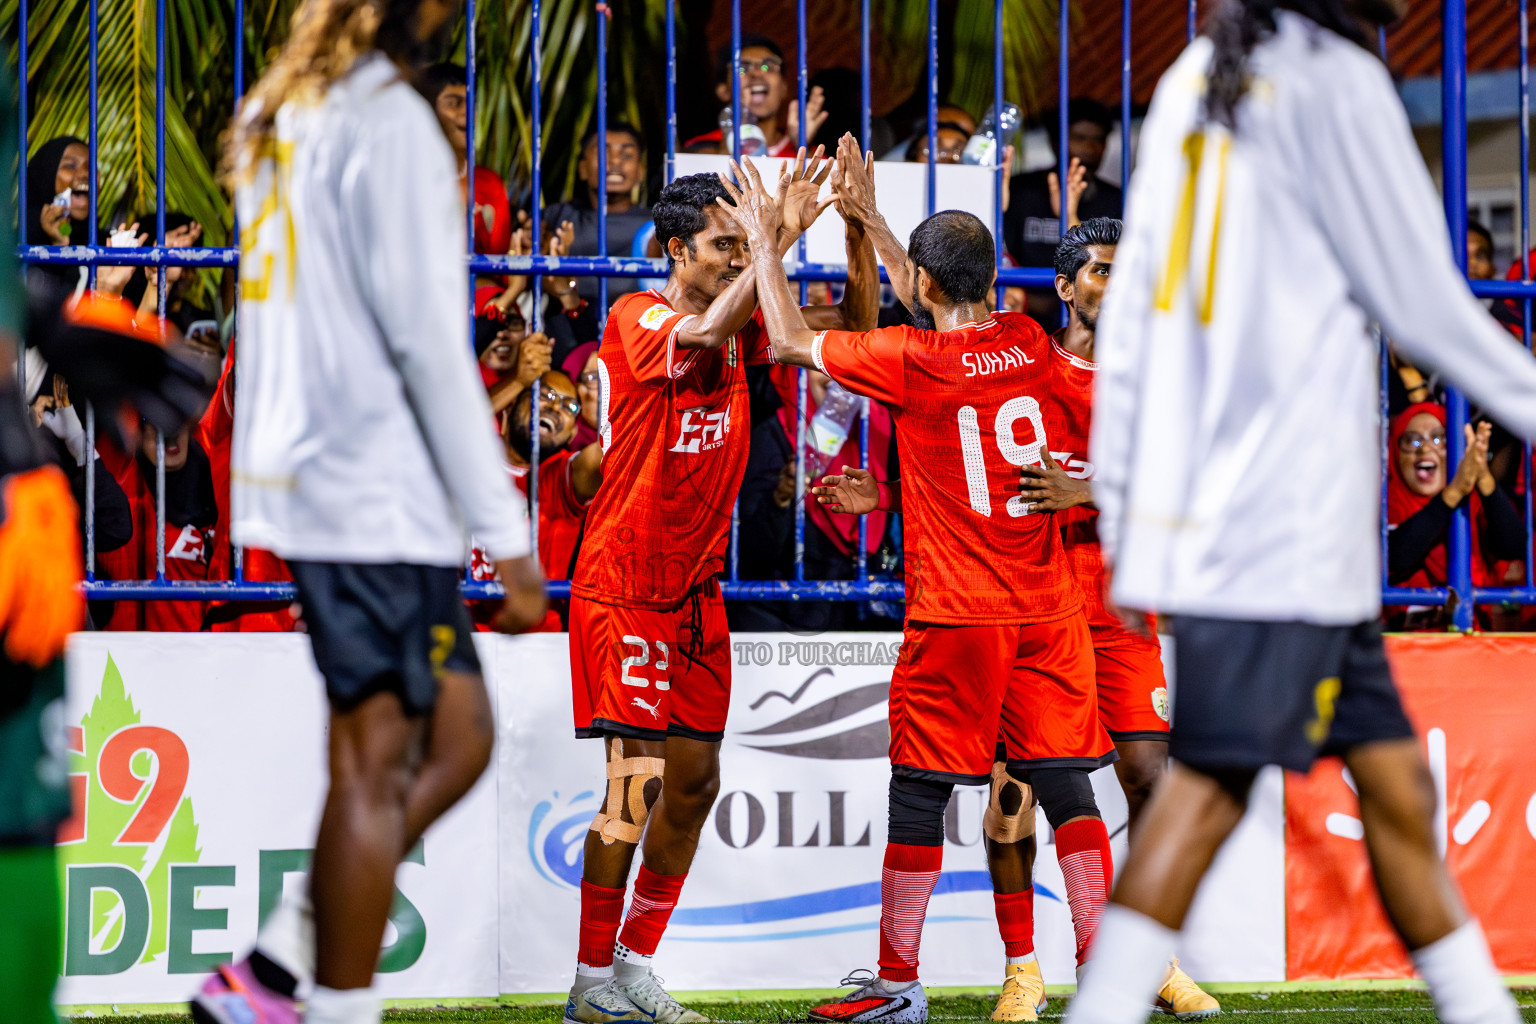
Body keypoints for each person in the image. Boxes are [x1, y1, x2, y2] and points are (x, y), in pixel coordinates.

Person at [1063, 0, 1536, 1015]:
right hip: (1290, 530)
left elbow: (1136, 313)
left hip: (1253, 527)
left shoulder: (1197, 74)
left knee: (1398, 794)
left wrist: (1130, 514)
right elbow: (1426, 305)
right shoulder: (1337, 81)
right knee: (1203, 799)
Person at [193, 3, 548, 1024]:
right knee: (380, 760)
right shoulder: (389, 122)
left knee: (457, 738)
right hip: (370, 480)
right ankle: (321, 1000)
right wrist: (508, 536)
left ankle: (274, 967)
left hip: (316, 466)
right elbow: (428, 345)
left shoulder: (284, 107)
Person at [720, 139, 1114, 1024]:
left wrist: (767, 242)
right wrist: (872, 221)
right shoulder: (1028, 339)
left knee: (920, 791)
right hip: (1049, 609)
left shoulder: (911, 357)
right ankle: (1106, 976)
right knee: (1070, 790)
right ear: (992, 279)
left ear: (926, 285)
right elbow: (931, 293)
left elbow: (785, 339)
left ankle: (898, 983)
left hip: (959, 614)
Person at [812, 217, 1219, 1022]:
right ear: (1063, 287)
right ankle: (1023, 970)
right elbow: (960, 442)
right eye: (1101, 270)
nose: (1118, 286)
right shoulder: (1027, 351)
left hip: (1113, 600)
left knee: (1144, 774)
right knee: (1012, 797)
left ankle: (1148, 958)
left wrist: (1091, 490)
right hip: (1033, 592)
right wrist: (887, 496)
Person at [562, 145, 877, 1024]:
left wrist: (855, 231)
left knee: (695, 784)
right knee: (635, 787)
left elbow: (847, 335)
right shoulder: (637, 315)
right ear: (676, 251)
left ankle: (633, 968)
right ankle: (588, 983)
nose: (740, 259)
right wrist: (776, 240)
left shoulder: (746, 320)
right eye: (724, 246)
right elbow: (700, 335)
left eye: (744, 245)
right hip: (625, 585)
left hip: (697, 595)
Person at [471, 370, 601, 631]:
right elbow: (448, 431)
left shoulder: (557, 479)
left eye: (569, 406)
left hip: (536, 643)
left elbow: (600, 460)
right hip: (462, 634)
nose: (555, 407)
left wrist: (603, 422)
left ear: (571, 434)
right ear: (508, 409)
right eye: (545, 395)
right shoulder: (468, 466)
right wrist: (519, 379)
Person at [1385, 404, 1526, 629]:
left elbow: (1513, 546)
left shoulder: (1472, 504)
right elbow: (1395, 556)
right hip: (1403, 645)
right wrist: (1453, 494)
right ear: (1395, 452)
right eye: (1412, 441)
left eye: (1439, 439)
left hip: (1471, 642)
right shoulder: (1385, 504)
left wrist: (1483, 478)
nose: (1425, 449)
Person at [1004, 99, 1123, 326]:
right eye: (1080, 138)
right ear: (1054, 141)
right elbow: (1001, 262)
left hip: (1088, 322)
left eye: (1098, 140)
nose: (1090, 148)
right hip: (1021, 321)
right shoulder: (1020, 192)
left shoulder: (1117, 199)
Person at [97, 422, 219, 631]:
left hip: (203, 647)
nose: (170, 435)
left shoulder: (217, 490)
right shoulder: (121, 500)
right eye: (153, 421)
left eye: (177, 420)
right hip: (128, 646)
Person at [546, 123, 656, 304]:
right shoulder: (558, 216)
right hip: (568, 318)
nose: (614, 162)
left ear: (640, 172)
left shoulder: (658, 222)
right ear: (582, 168)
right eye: (603, 153)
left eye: (626, 155)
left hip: (639, 318)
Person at [419, 61, 512, 256]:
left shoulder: (490, 184)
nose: (466, 111)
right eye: (454, 103)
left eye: (472, 104)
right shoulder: (408, 178)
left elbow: (500, 262)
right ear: (426, 110)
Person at [682, 34, 828, 156]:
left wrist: (803, 149)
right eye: (742, 68)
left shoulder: (809, 151)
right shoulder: (698, 150)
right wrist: (735, 137)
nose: (757, 73)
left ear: (784, 88)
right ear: (723, 91)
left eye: (768, 66)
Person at [25, 135, 94, 291]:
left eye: (91, 167)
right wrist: (58, 247)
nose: (85, 174)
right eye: (70, 166)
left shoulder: (107, 245)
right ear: (45, 177)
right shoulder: (19, 244)